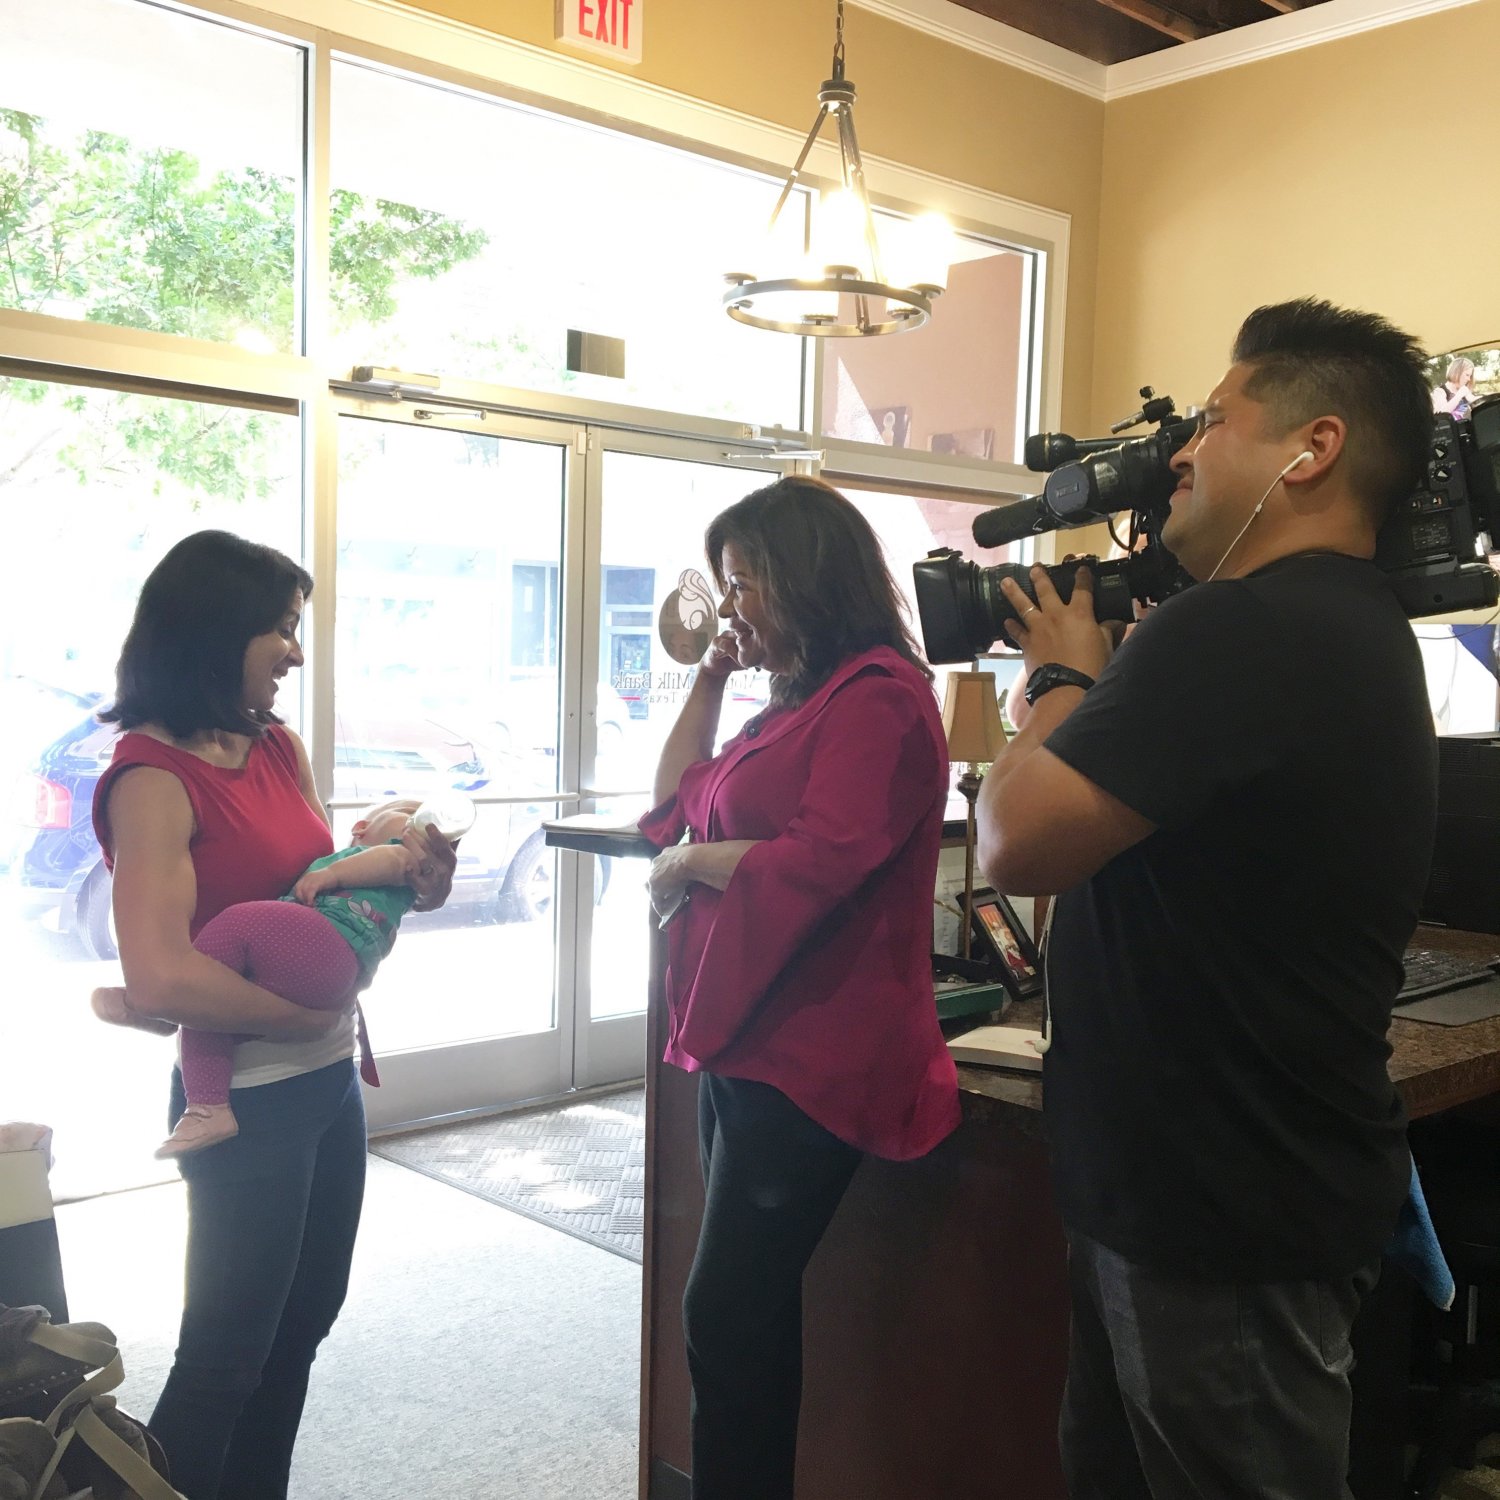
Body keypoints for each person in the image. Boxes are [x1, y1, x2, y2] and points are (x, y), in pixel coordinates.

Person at [976, 299, 1437, 1499]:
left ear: (1313, 448)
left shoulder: (1243, 629)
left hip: (1217, 1209)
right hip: (1209, 1187)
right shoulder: (1345, 625)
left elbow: (1013, 841)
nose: (1180, 450)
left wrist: (1062, 677)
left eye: (1217, 420)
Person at [90, 530, 456, 1500]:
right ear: (216, 632)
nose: (296, 651)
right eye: (281, 629)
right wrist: (293, 1020)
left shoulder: (275, 746)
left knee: (301, 1327)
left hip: (332, 1083)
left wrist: (408, 880)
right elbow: (162, 977)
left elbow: (314, 895)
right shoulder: (151, 779)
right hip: (247, 1097)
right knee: (224, 1357)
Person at [641, 476, 960, 1500]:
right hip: (745, 1028)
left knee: (727, 1313)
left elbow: (823, 857)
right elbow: (678, 803)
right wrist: (709, 678)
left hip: (819, 1046)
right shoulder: (793, 702)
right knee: (742, 1316)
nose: (732, 608)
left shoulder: (880, 696)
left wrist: (696, 867)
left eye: (744, 587)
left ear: (803, 577)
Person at [92, 796, 455, 1160]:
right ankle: (205, 1105)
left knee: (235, 926)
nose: (419, 827)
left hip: (329, 968)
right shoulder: (372, 863)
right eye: (406, 816)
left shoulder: (395, 861)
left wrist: (339, 876)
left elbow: (397, 860)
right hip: (324, 987)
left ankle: (173, 1020)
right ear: (361, 828)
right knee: (222, 1016)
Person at [1431, 354, 1476, 420]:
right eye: (1467, 375)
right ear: (1457, 372)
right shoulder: (1440, 392)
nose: (1469, 379)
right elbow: (1442, 416)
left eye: (1470, 376)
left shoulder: (1465, 392)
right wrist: (1459, 396)